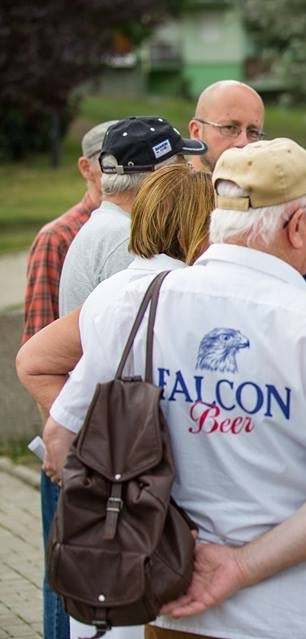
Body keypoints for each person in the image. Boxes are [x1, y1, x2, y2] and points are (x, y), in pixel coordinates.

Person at [35, 138, 306, 638]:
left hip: (168, 602)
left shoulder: (138, 302)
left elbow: (61, 434)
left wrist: (141, 530)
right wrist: (238, 566)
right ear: (297, 226)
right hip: (298, 616)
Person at [21, 118, 115, 639]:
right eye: (109, 159)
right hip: (67, 446)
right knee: (66, 575)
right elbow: (39, 347)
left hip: (106, 444)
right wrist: (58, 455)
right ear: (86, 167)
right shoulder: (59, 237)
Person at [58, 116, 206, 314]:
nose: (189, 174)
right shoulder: (126, 240)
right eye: (183, 167)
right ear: (160, 177)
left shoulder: (107, 226)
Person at [187, 80, 265, 172]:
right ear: (196, 132)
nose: (243, 143)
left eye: (253, 132)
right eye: (230, 128)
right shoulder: (169, 185)